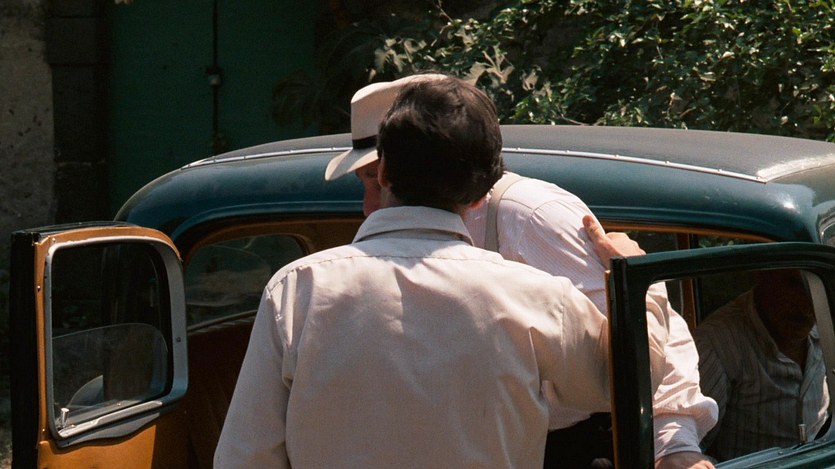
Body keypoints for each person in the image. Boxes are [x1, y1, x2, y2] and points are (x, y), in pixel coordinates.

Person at [215, 75, 668, 468]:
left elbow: (247, 455)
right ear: (481, 193)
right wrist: (639, 281)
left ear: (383, 171)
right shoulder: (538, 298)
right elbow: (630, 381)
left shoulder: (297, 290)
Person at [324, 73, 718, 469]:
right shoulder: (368, 269)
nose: (369, 207)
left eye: (376, 181)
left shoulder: (528, 216)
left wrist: (674, 443)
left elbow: (636, 354)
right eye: (365, 183)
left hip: (568, 449)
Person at [694, 269, 829, 461]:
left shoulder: (826, 324)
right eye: (794, 285)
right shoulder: (718, 342)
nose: (805, 305)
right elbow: (688, 451)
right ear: (764, 275)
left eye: (813, 286)